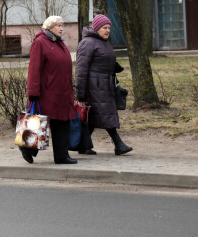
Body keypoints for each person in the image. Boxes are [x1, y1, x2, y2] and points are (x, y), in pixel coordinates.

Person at [74, 15, 132, 156]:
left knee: (95, 116)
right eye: (104, 28)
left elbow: (104, 59)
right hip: (93, 86)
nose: (107, 31)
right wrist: (80, 92)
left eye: (109, 28)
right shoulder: (87, 43)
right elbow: (81, 69)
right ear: (96, 28)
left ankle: (83, 146)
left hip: (104, 85)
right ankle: (118, 144)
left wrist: (114, 67)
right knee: (104, 113)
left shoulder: (103, 42)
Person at [24, 16, 77, 164]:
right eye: (58, 25)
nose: (61, 28)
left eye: (62, 25)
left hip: (62, 93)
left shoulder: (60, 43)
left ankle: (61, 156)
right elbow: (34, 69)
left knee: (61, 124)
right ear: (49, 27)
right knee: (41, 124)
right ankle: (27, 148)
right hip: (47, 94)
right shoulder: (40, 43)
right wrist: (33, 92)